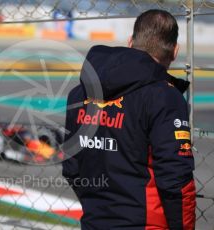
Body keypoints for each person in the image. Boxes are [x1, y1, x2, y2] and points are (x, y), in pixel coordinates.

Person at [62, 9, 196, 229]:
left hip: (94, 221)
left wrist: (100, 206)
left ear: (130, 42)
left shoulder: (79, 94)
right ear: (175, 51)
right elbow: (176, 181)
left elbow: (71, 167)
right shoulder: (164, 96)